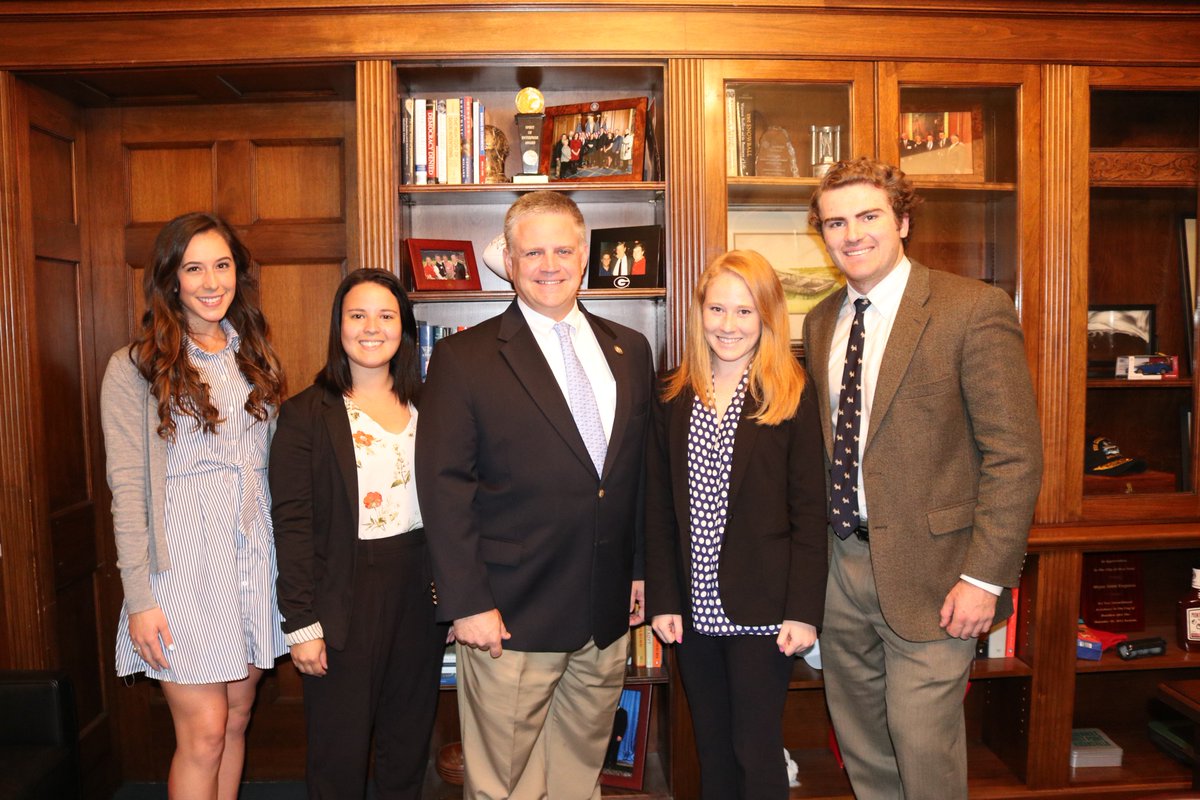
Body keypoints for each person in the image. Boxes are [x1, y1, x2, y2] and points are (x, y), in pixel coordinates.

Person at [802, 157, 1042, 800]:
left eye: (869, 216)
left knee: (922, 748)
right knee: (863, 747)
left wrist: (984, 578)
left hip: (938, 576)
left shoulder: (972, 308)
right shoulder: (821, 321)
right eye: (835, 222)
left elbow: (1014, 455)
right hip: (840, 570)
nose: (852, 234)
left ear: (903, 221)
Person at [416, 190, 654, 800]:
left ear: (584, 255)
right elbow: (443, 490)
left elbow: (635, 475)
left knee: (579, 777)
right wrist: (467, 602)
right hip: (509, 617)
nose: (550, 265)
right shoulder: (463, 357)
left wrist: (637, 570)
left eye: (562, 251)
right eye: (533, 253)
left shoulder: (631, 350)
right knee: (504, 786)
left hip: (603, 615)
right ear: (510, 261)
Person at [101, 211, 288, 800]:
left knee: (235, 718)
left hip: (253, 560)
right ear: (171, 279)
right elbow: (127, 489)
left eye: (222, 265)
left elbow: (271, 467)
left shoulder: (256, 357)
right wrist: (140, 599)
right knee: (203, 733)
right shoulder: (135, 367)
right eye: (194, 268)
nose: (211, 282)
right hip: (180, 571)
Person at [645, 250, 827, 799]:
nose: (729, 325)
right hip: (693, 611)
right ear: (699, 312)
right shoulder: (673, 392)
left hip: (764, 611)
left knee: (756, 749)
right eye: (717, 309)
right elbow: (658, 506)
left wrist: (803, 611)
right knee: (713, 749)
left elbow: (809, 512)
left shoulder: (791, 392)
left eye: (745, 311)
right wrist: (665, 598)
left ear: (767, 316)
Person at [270, 269, 445, 799]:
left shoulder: (433, 407)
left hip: (419, 593)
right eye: (358, 315)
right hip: (342, 599)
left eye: (386, 315)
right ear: (339, 325)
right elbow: (292, 524)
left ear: (404, 328)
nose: (372, 327)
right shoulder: (305, 414)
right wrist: (301, 624)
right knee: (338, 755)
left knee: (407, 746)